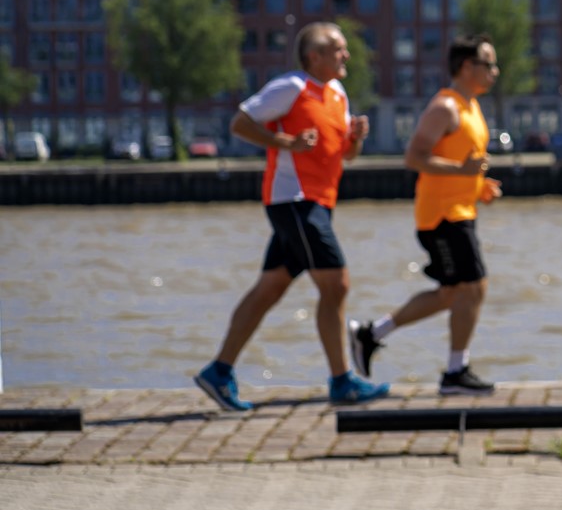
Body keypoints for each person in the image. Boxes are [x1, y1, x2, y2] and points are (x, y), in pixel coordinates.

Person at [193, 21, 390, 410]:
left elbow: (345, 157)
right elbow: (241, 122)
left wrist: (356, 139)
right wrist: (285, 141)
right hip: (295, 202)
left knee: (270, 288)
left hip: (320, 203)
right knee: (337, 285)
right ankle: (342, 381)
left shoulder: (337, 92)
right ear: (313, 56)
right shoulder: (292, 87)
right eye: (338, 48)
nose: (346, 55)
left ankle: (218, 371)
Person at [348, 34, 502, 396]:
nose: (495, 71)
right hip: (442, 217)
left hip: (461, 211)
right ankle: (455, 372)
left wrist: (479, 186)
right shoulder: (444, 108)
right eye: (489, 63)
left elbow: (464, 164)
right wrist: (464, 173)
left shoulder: (472, 107)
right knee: (473, 287)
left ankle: (371, 334)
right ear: (467, 67)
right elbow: (414, 158)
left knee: (452, 293)